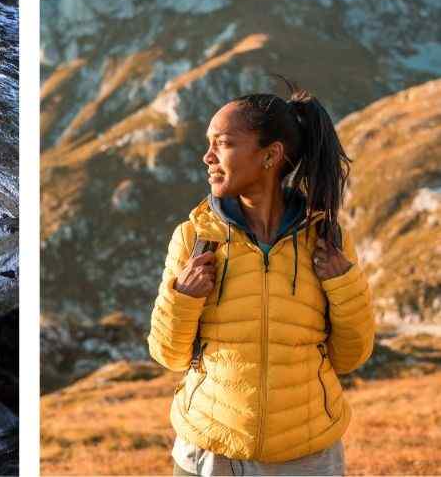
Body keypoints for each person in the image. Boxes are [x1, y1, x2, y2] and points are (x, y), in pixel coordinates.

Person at [147, 82, 374, 476]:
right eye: (209, 144)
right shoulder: (194, 238)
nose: (207, 157)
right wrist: (182, 297)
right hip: (211, 454)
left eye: (224, 144)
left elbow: (350, 357)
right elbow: (168, 355)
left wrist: (344, 285)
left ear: (270, 156)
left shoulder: (327, 242)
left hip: (307, 457)